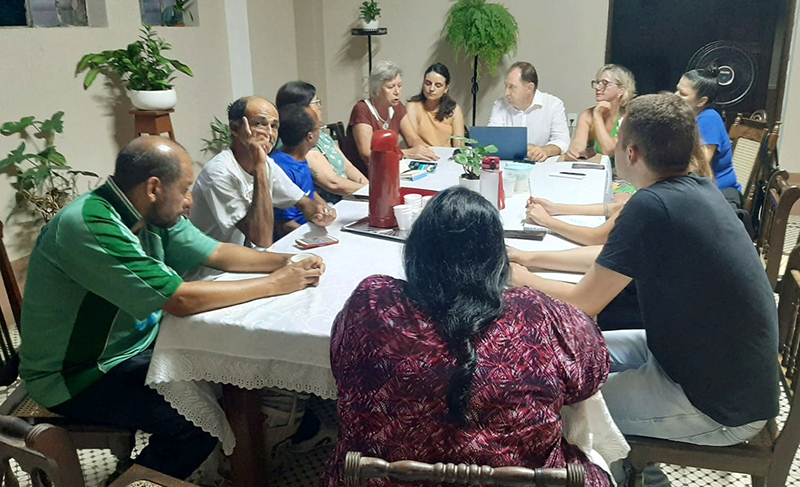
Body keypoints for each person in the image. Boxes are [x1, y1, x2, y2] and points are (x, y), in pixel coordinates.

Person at [18, 136, 326, 480]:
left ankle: (261, 449)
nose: (189, 200)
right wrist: (276, 283)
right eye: (185, 188)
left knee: (229, 361)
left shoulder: (150, 213)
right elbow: (179, 300)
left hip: (135, 346)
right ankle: (135, 480)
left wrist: (289, 260)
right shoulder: (90, 224)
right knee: (194, 427)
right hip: (77, 375)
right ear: (154, 188)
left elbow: (218, 253)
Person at [509, 94, 778, 451]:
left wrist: (523, 280)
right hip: (698, 363)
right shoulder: (694, 189)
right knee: (568, 352)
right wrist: (530, 258)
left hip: (717, 405)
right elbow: (611, 257)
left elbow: (583, 302)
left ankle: (617, 469)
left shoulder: (653, 206)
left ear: (631, 153)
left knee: (556, 405)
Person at [323, 186, 612, 487]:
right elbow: (592, 376)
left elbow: (341, 363)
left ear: (416, 251)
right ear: (498, 257)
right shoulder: (540, 314)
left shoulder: (372, 302)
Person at [190, 96, 336, 253]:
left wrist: (319, 212)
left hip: (249, 258)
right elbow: (261, 239)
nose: (269, 134)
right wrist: (259, 167)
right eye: (259, 124)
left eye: (274, 126)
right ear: (234, 128)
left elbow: (304, 202)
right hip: (215, 272)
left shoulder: (266, 163)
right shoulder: (219, 172)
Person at [275, 81, 367, 203]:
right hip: (329, 205)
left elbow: (347, 166)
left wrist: (366, 185)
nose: (320, 106)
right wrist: (369, 191)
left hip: (351, 197)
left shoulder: (321, 135)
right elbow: (333, 183)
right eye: (316, 103)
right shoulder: (297, 143)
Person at [341, 60, 439, 175]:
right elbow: (367, 154)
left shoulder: (397, 107)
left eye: (399, 86)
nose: (397, 92)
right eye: (390, 87)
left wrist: (422, 149)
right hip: (363, 175)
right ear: (376, 90)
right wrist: (407, 153)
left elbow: (412, 138)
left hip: (388, 170)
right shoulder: (362, 109)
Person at [676, 66, 741, 205]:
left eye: (682, 93)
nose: (675, 95)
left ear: (702, 101)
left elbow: (700, 166)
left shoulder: (708, 119)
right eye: (677, 90)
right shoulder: (690, 117)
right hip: (701, 190)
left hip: (720, 195)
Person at [488, 62, 570, 162]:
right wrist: (523, 147)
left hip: (542, 165)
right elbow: (492, 139)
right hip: (508, 164)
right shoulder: (500, 105)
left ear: (529, 88)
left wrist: (545, 150)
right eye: (506, 86)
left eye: (512, 87)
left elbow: (562, 141)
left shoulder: (553, 104)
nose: (506, 93)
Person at [271, 103, 324, 238]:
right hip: (297, 236)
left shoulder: (299, 158)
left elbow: (309, 193)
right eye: (319, 128)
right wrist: (317, 238)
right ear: (310, 136)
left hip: (311, 225)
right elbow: (286, 225)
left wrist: (327, 210)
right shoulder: (282, 168)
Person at [565, 64, 636, 161]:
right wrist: (574, 152)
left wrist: (597, 116)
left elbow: (608, 151)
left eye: (605, 83)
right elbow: (578, 144)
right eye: (597, 82)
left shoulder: (628, 117)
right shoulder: (587, 115)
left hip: (622, 173)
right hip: (596, 170)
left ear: (621, 90)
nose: (597, 87)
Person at [406, 63, 466, 147]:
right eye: (428, 83)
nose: (431, 89)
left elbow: (459, 145)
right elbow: (411, 140)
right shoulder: (413, 106)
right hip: (422, 155)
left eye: (438, 85)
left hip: (447, 156)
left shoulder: (454, 109)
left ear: (446, 89)